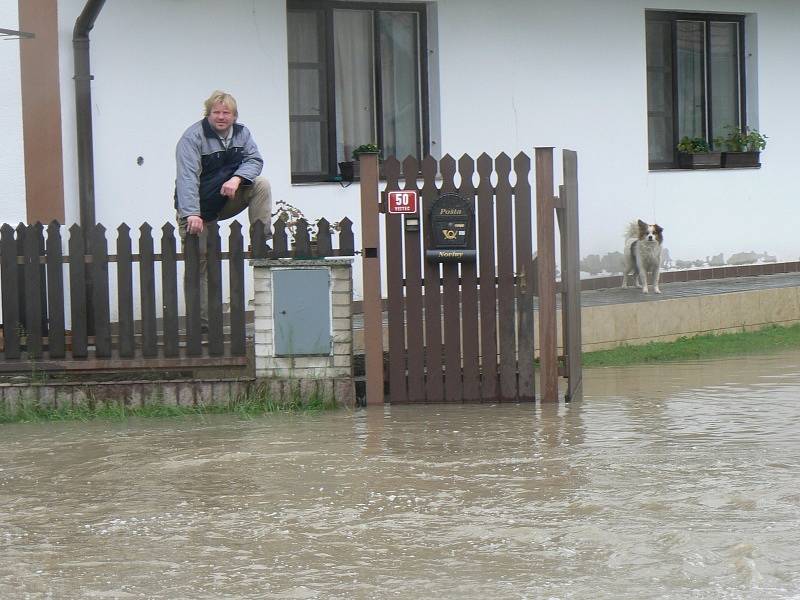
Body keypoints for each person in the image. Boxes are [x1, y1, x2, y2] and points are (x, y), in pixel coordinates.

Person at [174, 90, 272, 329]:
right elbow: (186, 178)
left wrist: (237, 178)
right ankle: (202, 324)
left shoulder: (242, 133)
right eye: (216, 112)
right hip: (198, 207)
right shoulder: (192, 137)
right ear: (208, 114)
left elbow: (255, 160)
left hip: (225, 198)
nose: (221, 117)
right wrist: (191, 214)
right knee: (199, 264)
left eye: (226, 113)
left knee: (261, 184)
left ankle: (260, 240)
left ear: (234, 116)